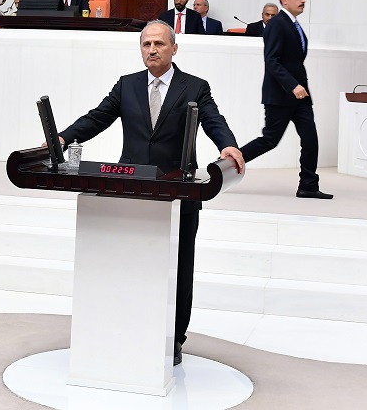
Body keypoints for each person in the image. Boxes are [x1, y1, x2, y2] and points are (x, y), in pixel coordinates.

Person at [59, 20, 244, 366]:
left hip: (179, 193)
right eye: (146, 44)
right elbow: (97, 118)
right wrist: (63, 137)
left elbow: (213, 120)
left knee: (179, 268)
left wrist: (228, 145)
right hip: (130, 193)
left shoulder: (195, 87)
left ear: (174, 48)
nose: (152, 50)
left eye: (159, 44)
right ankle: (128, 328)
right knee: (130, 264)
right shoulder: (126, 85)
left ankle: (174, 339)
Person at [240, 0, 331, 199]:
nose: (303, 0)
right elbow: (272, 61)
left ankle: (308, 185)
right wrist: (292, 85)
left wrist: (299, 87)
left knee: (310, 139)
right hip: (281, 95)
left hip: (301, 96)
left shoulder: (293, 24)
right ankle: (225, 163)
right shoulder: (277, 24)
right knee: (269, 140)